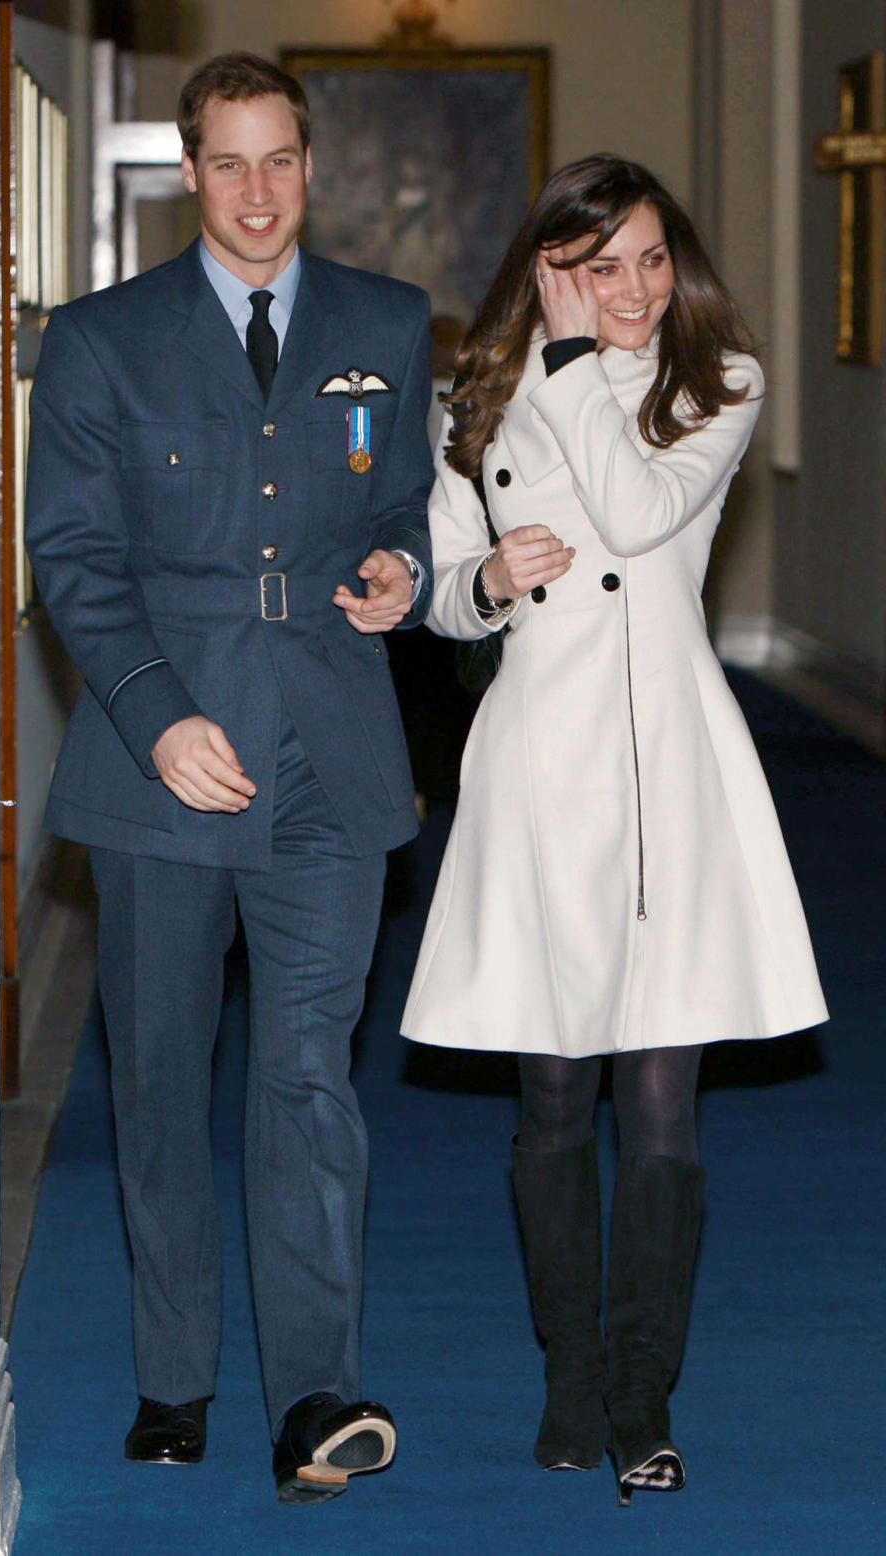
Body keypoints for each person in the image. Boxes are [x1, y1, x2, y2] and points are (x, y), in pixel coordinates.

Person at [25, 52, 433, 1505]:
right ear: (189, 174)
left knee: (309, 1077)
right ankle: (173, 1373)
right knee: (159, 1077)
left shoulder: (388, 323)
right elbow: (71, 560)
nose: (259, 194)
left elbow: (401, 504)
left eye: (283, 162)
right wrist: (151, 715)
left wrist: (404, 569)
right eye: (231, 164)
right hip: (165, 763)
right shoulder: (100, 340)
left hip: (331, 745)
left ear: (309, 166)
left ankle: (316, 1391)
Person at [401, 155, 828, 1505]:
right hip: (538, 758)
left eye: (650, 258)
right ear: (548, 267)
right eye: (600, 264)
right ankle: (570, 1380)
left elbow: (639, 519)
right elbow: (446, 597)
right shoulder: (474, 397)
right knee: (549, 1095)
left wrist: (578, 354)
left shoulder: (721, 386)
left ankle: (643, 1399)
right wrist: (479, 576)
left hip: (667, 770)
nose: (633, 287)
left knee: (659, 1102)